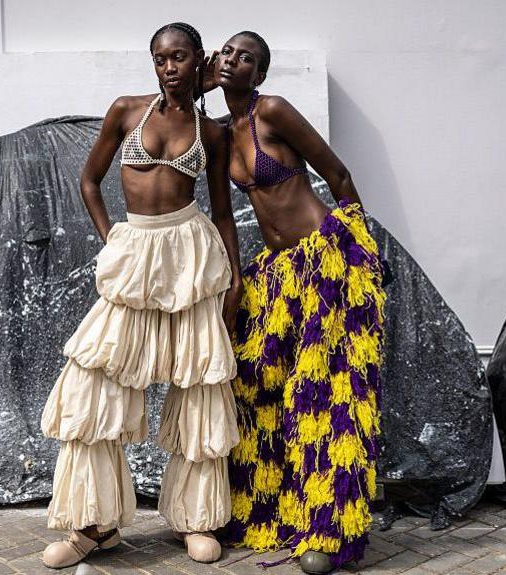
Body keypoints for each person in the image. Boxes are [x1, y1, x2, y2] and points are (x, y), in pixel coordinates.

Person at [40, 22, 244, 569]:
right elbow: (89, 179)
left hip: (191, 258)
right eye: (160, 59)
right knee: (93, 387)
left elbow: (222, 213)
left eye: (178, 57)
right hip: (135, 258)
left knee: (200, 384)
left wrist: (235, 279)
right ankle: (92, 526)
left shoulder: (212, 132)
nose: (169, 67)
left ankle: (194, 520)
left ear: (196, 59)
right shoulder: (127, 111)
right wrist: (113, 240)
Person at [205, 31, 387, 574]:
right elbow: (221, 215)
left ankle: (330, 530)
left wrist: (358, 250)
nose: (233, 60)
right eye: (228, 52)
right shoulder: (217, 134)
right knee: (259, 383)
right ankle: (278, 510)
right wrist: (236, 283)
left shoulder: (274, 111)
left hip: (326, 261)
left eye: (247, 58)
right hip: (279, 273)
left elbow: (340, 177)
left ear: (259, 75)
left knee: (327, 394)